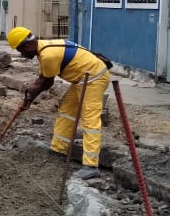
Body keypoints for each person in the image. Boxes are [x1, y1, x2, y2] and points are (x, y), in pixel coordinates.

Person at [7, 26, 111, 180]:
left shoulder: (48, 56)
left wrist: (29, 99)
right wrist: (29, 97)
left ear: (27, 45)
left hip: (94, 78)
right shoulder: (43, 49)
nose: (22, 55)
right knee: (66, 110)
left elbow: (46, 83)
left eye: (21, 51)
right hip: (81, 80)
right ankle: (58, 150)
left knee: (89, 119)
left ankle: (91, 165)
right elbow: (42, 79)